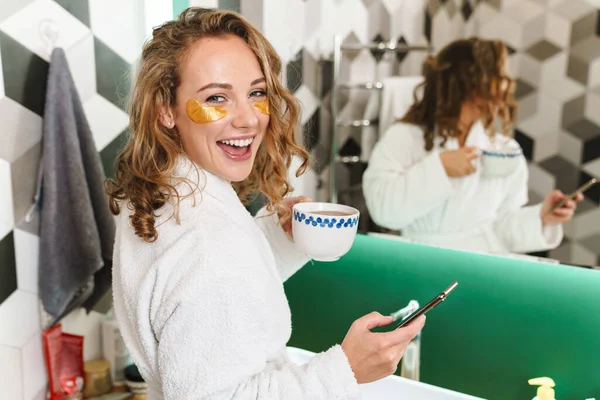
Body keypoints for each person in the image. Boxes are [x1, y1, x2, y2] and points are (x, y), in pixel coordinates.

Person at [106, 8, 425, 399]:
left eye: (256, 93)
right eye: (217, 97)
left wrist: (276, 239)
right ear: (166, 110)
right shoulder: (209, 242)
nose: (249, 119)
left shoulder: (161, 193)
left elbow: (202, 301)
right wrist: (345, 370)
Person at [363, 38, 581, 254]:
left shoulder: (503, 149)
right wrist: (440, 169)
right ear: (467, 82)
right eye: (498, 76)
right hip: (422, 262)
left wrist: (541, 218)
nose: (506, 84)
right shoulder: (405, 137)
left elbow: (502, 226)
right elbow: (383, 211)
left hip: (483, 267)